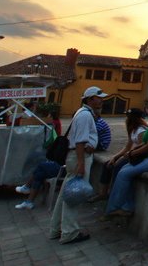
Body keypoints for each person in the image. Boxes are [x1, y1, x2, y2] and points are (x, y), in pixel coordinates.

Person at [49, 86, 106, 245]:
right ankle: (69, 232)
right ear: (89, 99)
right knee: (74, 196)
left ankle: (56, 228)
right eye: (98, 97)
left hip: (77, 156)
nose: (101, 100)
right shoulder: (85, 116)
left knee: (65, 194)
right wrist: (81, 164)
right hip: (79, 157)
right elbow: (80, 141)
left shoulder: (82, 113)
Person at [103, 98, 148, 218]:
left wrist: (132, 154)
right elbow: (144, 143)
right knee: (124, 170)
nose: (147, 109)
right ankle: (125, 206)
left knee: (124, 173)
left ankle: (116, 207)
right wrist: (131, 152)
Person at [91, 108, 148, 202]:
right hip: (131, 153)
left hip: (138, 156)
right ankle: (103, 193)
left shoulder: (142, 131)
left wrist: (123, 158)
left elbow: (141, 149)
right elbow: (127, 146)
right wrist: (115, 157)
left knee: (117, 167)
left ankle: (114, 194)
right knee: (107, 164)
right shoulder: (132, 129)